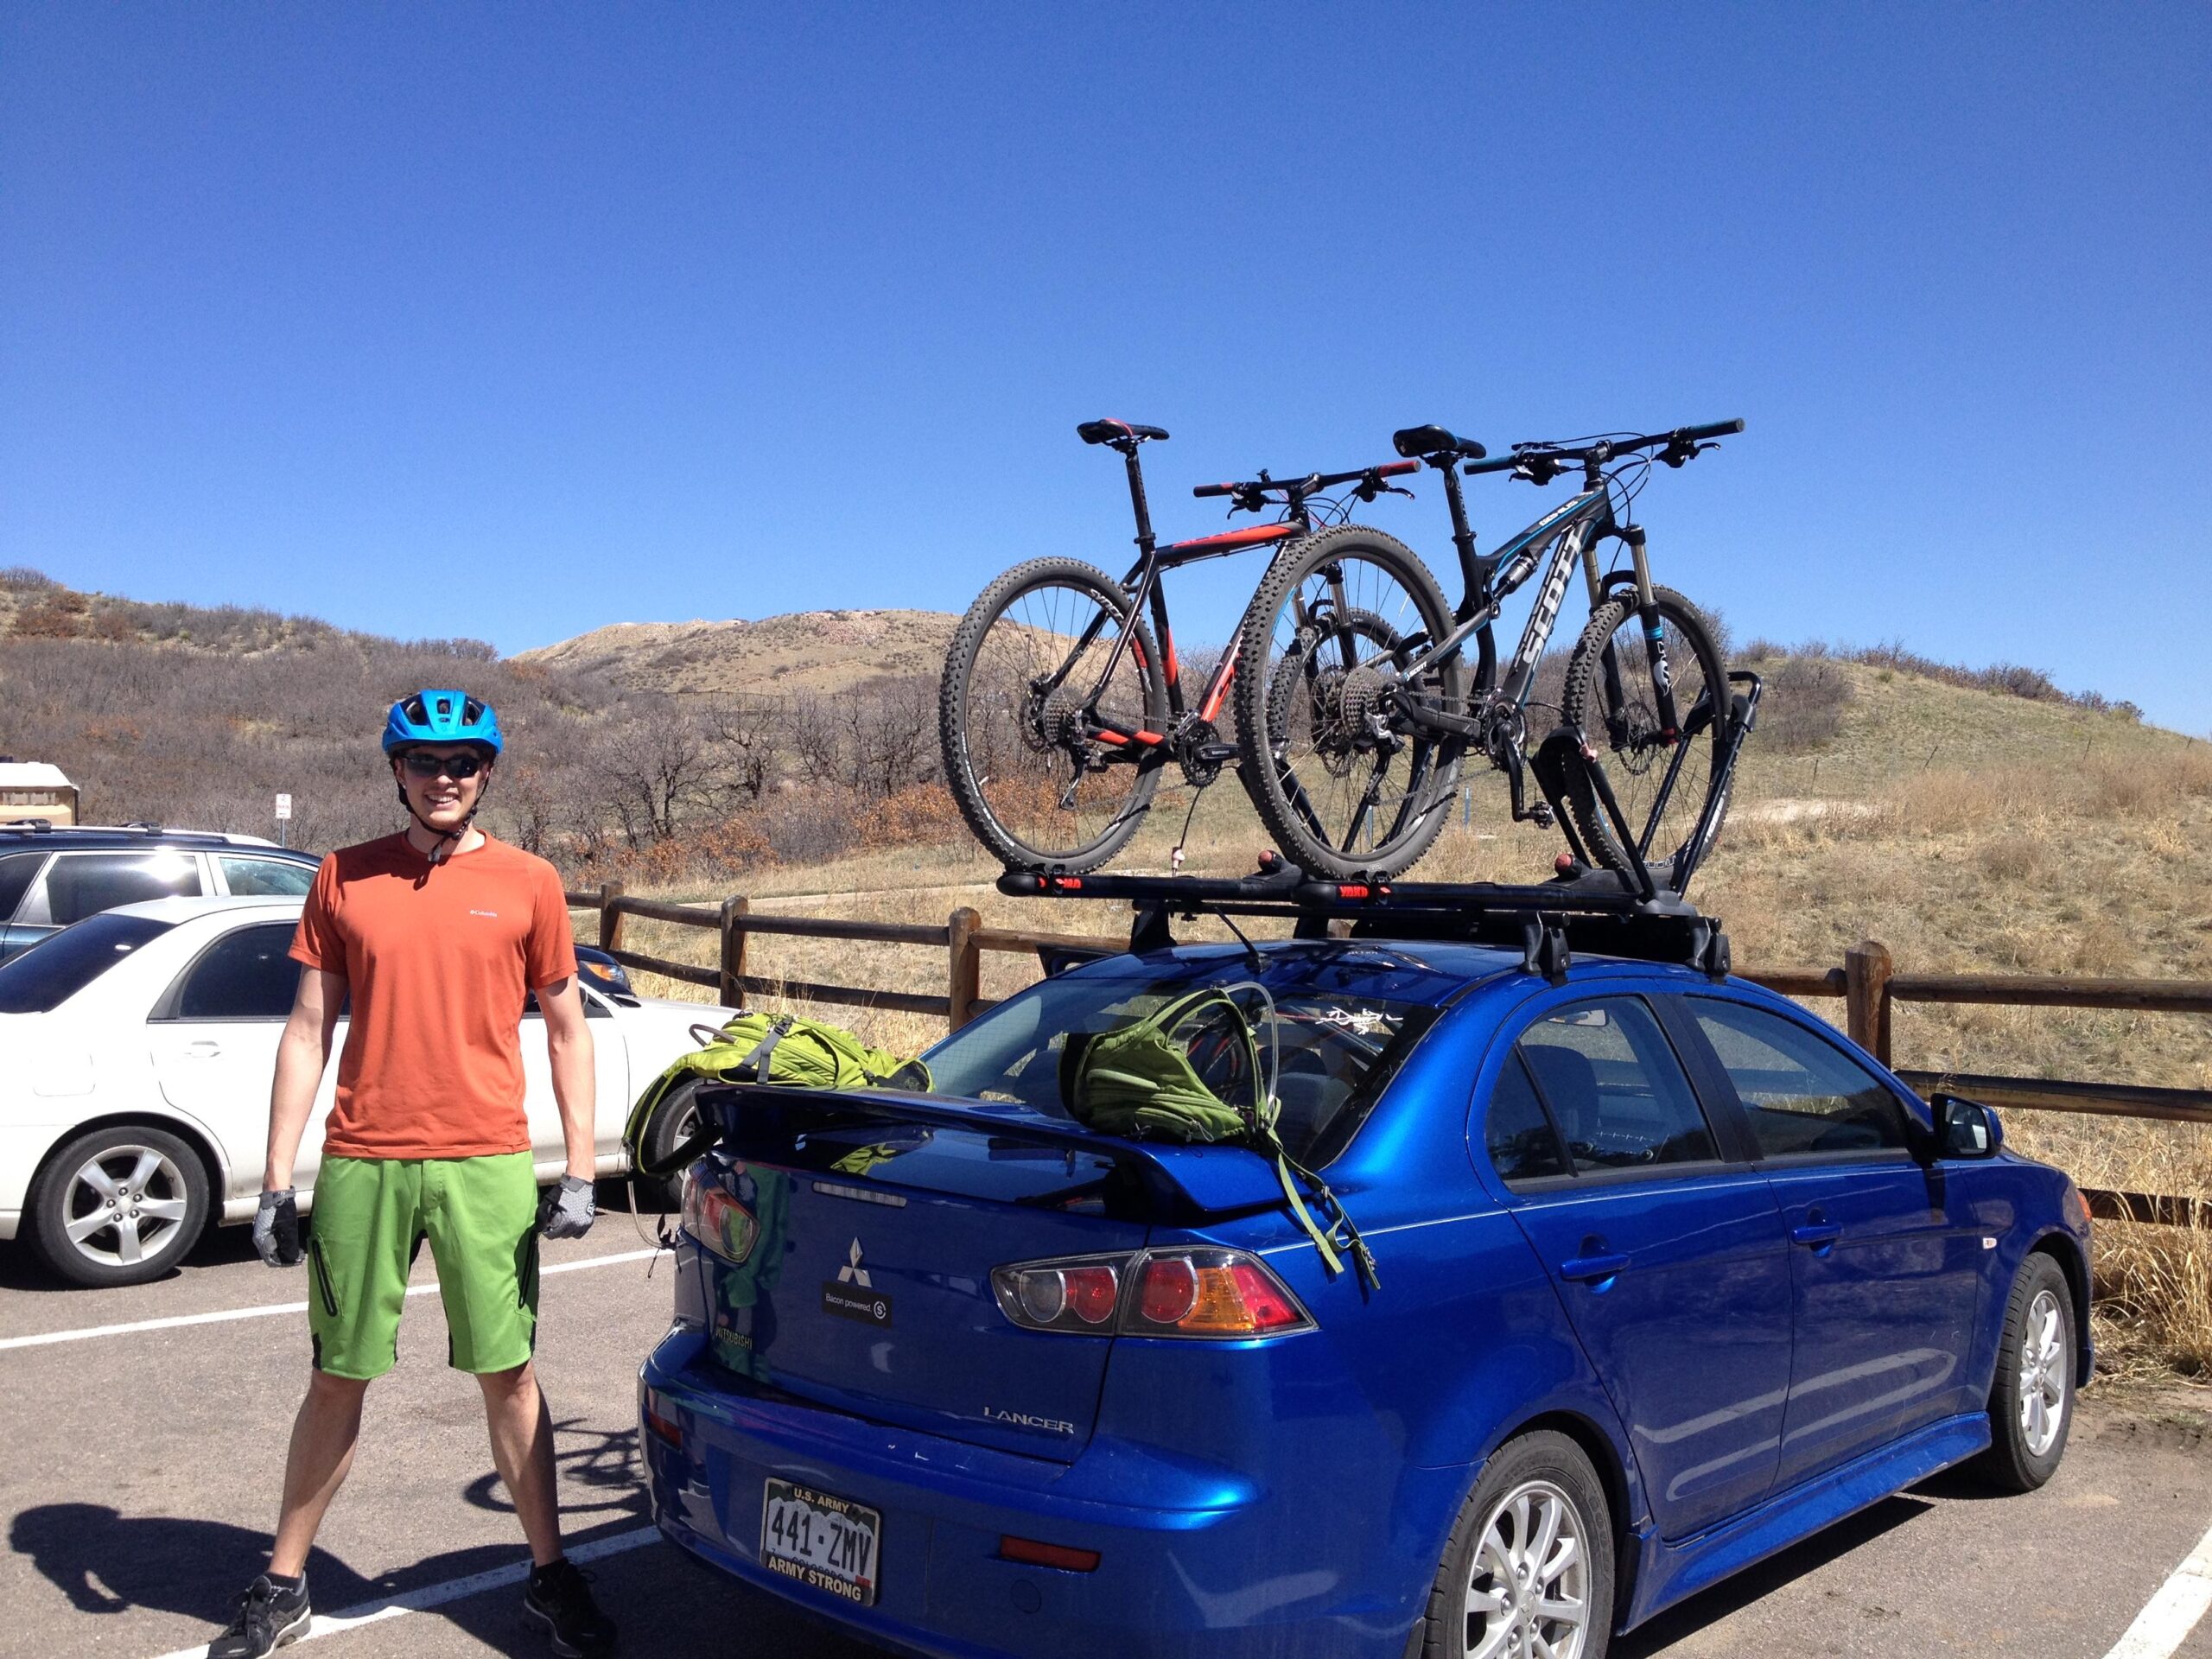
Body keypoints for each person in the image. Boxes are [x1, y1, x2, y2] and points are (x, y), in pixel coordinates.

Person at [210, 690, 616, 1659]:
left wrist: (582, 1167)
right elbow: (308, 1030)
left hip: (486, 1160)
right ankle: (283, 1584)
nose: (447, 776)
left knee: (508, 1375)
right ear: (397, 770)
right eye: (427, 761)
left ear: (488, 773)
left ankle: (551, 1577)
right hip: (364, 1158)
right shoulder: (345, 877)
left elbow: (568, 1033)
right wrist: (276, 1179)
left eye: (466, 760)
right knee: (336, 1375)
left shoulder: (529, 882)